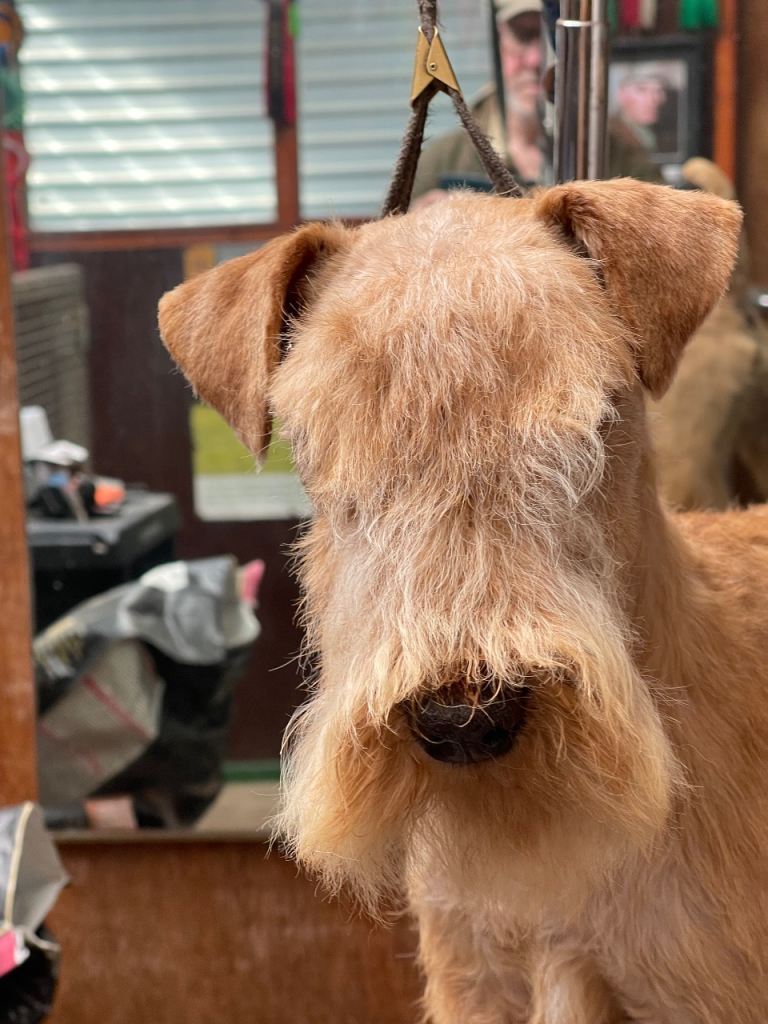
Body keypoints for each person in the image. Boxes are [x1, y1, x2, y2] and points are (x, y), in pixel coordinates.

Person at [411, 0, 661, 204]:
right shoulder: (444, 160)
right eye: (524, 36)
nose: (534, 60)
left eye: (552, 40)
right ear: (498, 41)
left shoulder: (621, 158)